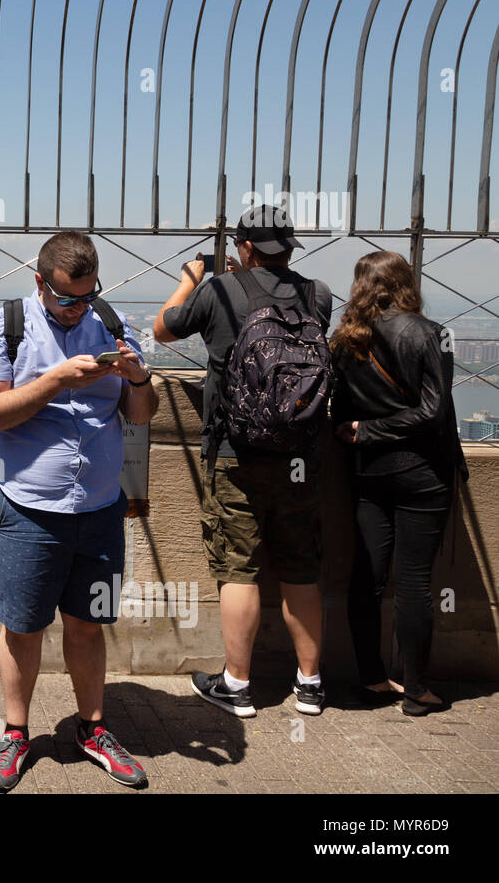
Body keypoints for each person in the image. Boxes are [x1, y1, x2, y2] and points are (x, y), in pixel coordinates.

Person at [0, 232, 157, 791]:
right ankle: (15, 733)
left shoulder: (112, 323)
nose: (78, 307)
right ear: (39, 283)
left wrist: (138, 378)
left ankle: (91, 728)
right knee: (24, 626)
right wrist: (54, 381)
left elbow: (142, 415)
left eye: (86, 295)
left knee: (87, 624)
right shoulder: (5, 327)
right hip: (30, 510)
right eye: (66, 297)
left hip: (99, 510)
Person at [154, 204, 332, 718]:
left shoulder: (219, 291)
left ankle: (237, 685)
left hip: (237, 450)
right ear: (289, 249)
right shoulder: (318, 293)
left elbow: (164, 330)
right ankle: (312, 683)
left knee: (239, 568)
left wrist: (192, 281)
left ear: (244, 248)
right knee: (302, 567)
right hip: (301, 454)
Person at [330, 251, 467, 717]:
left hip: (368, 471)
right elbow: (432, 410)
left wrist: (365, 433)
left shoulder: (345, 339)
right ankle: (417, 690)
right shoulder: (430, 334)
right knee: (412, 583)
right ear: (406, 282)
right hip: (423, 473)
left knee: (366, 578)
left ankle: (371, 678)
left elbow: (339, 412)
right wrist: (375, 430)